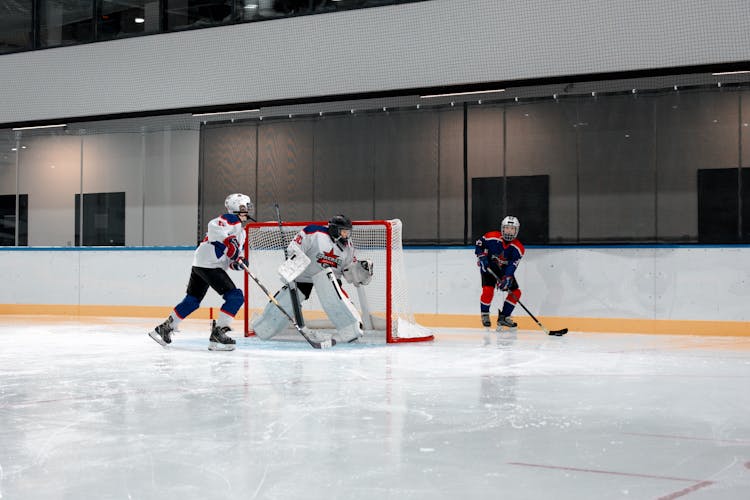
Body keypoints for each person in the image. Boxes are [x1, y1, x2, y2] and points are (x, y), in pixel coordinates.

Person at [149, 193, 254, 351]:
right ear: (238, 208)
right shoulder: (231, 219)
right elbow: (214, 227)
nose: (248, 210)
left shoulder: (242, 233)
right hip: (209, 264)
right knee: (236, 297)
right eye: (246, 207)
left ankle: (165, 328)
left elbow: (230, 257)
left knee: (192, 300)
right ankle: (219, 334)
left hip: (202, 263)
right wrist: (228, 243)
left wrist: (238, 263)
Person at [252, 214, 373, 344]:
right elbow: (294, 248)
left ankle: (351, 329)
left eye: (348, 232)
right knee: (287, 300)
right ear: (334, 229)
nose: (346, 235)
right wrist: (292, 264)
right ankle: (264, 326)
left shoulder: (348, 245)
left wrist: (359, 271)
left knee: (337, 300)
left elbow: (349, 268)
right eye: (344, 232)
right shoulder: (314, 232)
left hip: (330, 277)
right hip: (304, 275)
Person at [475, 215, 524, 330]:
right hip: (488, 267)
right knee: (488, 290)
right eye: (507, 228)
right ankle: (485, 314)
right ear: (502, 228)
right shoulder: (491, 237)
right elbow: (479, 245)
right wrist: (481, 256)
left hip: (503, 271)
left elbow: (512, 265)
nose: (509, 231)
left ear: (516, 230)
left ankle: (504, 317)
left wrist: (507, 278)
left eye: (512, 229)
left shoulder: (518, 248)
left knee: (516, 293)